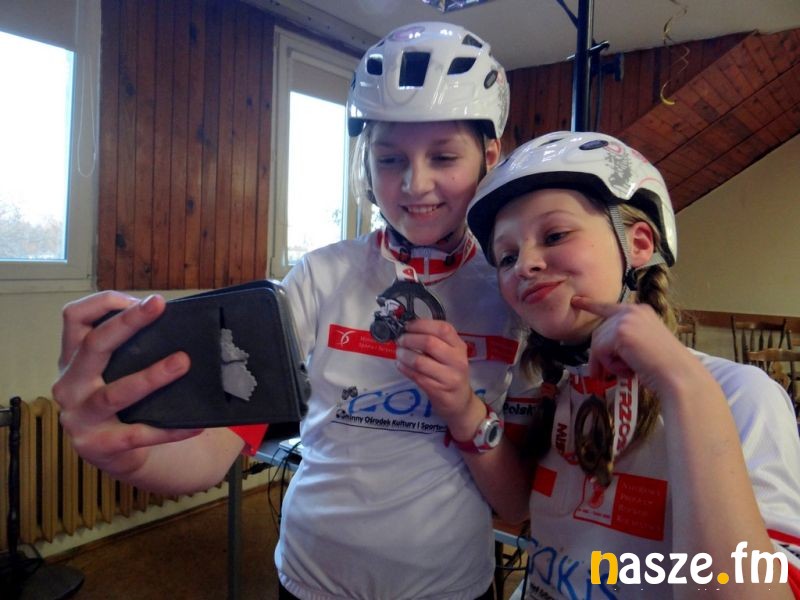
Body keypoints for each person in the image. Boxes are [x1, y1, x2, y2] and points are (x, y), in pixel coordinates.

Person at [53, 22, 535, 600]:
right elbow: (216, 450)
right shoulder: (320, 276)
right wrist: (125, 454)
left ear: (489, 156)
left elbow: (515, 503)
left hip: (450, 586)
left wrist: (463, 409)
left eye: (444, 156)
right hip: (312, 580)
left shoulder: (514, 292)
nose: (415, 183)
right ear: (365, 162)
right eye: (389, 159)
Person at [398, 131, 800, 598]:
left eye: (554, 235)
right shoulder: (548, 387)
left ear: (639, 244)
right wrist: (462, 407)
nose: (524, 264)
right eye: (506, 257)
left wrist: (684, 386)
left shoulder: (741, 395)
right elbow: (515, 507)